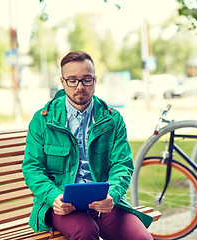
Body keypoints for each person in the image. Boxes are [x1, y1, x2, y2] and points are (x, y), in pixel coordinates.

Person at [22, 51, 153, 240]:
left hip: (105, 202)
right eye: (72, 80)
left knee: (142, 238)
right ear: (62, 81)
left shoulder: (112, 119)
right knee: (85, 231)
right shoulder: (43, 120)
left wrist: (112, 195)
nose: (80, 86)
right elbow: (32, 168)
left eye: (86, 79)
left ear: (95, 80)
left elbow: (122, 165)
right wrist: (53, 197)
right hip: (63, 205)